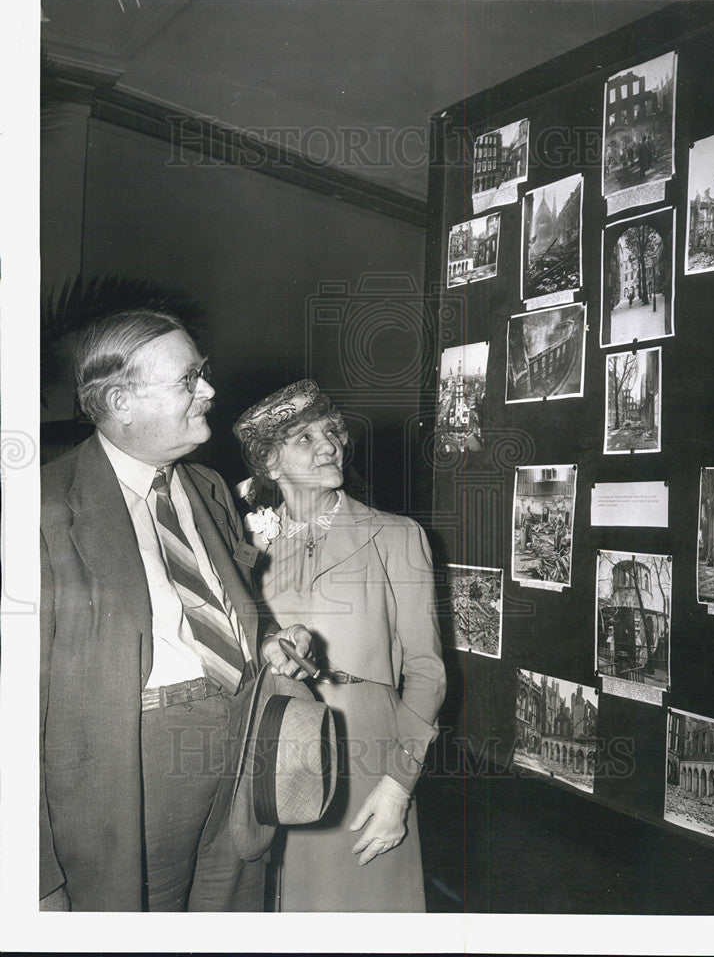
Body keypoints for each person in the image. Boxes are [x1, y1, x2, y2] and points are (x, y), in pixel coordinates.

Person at [40, 310, 311, 912]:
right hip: (136, 762)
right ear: (122, 402)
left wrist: (263, 639)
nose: (210, 390)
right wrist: (37, 878)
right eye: (190, 379)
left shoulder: (208, 486)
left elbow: (221, 602)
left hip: (241, 741)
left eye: (203, 373)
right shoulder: (43, 511)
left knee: (233, 908)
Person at [233, 380, 446, 912]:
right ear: (271, 464)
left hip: (366, 749)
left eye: (330, 431)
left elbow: (428, 672)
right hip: (268, 746)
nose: (327, 444)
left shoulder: (396, 535)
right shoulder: (241, 549)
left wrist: (399, 785)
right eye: (303, 438)